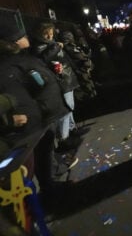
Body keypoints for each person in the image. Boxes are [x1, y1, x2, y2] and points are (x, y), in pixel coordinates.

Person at [0, 17, 76, 191]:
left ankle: (48, 185)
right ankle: (38, 196)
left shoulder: (22, 57)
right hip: (29, 125)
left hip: (40, 118)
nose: (27, 37)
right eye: (22, 35)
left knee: (44, 156)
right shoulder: (9, 65)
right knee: (30, 167)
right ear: (14, 41)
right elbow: (15, 93)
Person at [30, 22, 85, 152]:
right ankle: (64, 139)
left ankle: (72, 130)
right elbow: (44, 59)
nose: (50, 35)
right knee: (66, 109)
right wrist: (56, 47)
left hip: (66, 77)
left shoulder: (51, 43)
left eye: (51, 33)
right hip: (59, 81)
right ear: (40, 34)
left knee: (70, 106)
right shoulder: (39, 46)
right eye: (46, 33)